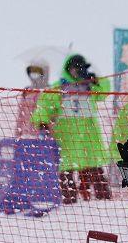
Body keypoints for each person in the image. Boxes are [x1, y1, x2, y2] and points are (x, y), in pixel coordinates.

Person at [32, 54, 111, 204]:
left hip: (89, 135)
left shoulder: (91, 86)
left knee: (95, 168)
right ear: (69, 69)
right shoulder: (59, 87)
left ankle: (104, 200)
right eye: (75, 69)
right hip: (67, 136)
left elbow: (106, 92)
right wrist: (42, 121)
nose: (78, 72)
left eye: (81, 69)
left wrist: (97, 78)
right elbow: (44, 106)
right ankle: (69, 201)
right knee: (66, 170)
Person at [15, 59, 50, 138]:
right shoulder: (27, 92)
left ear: (44, 72)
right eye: (32, 70)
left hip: (43, 137)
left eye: (37, 70)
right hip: (26, 136)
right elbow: (20, 117)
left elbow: (52, 117)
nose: (34, 73)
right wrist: (17, 135)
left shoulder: (50, 92)